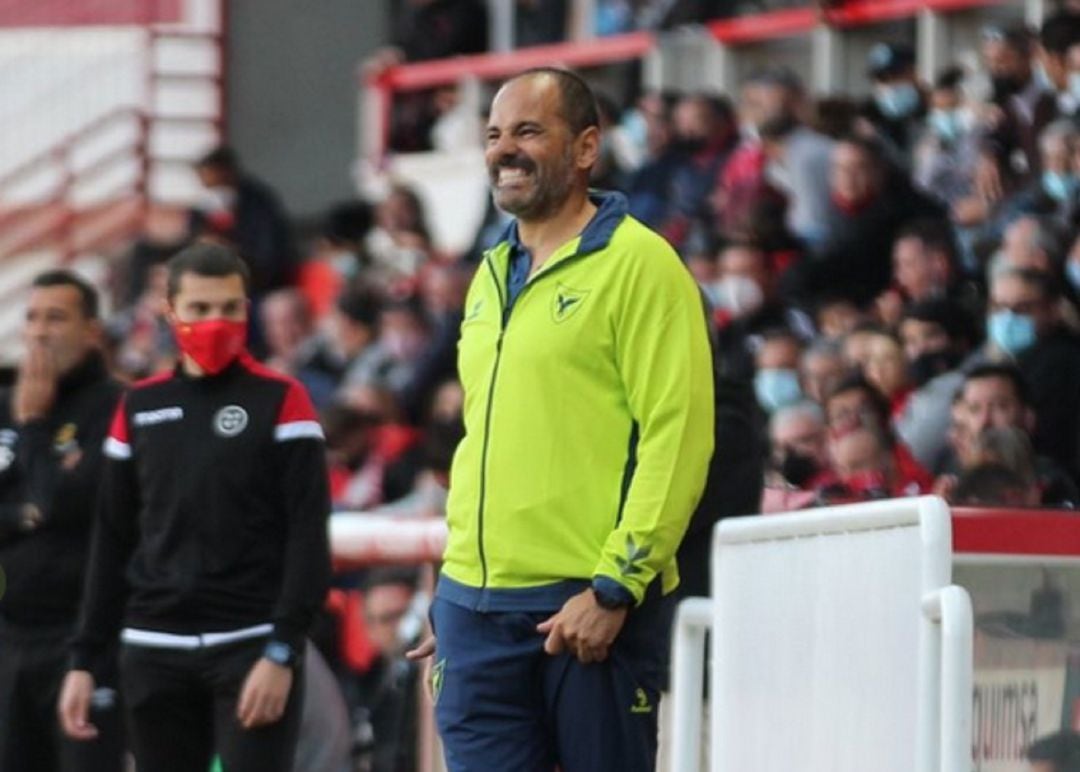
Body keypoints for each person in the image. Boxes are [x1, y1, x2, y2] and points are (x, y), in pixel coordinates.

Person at [406, 67, 714, 772]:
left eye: (526, 131)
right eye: (492, 134)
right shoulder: (488, 272)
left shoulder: (642, 266)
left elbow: (678, 437)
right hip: (474, 616)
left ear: (584, 149)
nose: (502, 150)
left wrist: (615, 588)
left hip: (585, 610)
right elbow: (486, 439)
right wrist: (457, 589)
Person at [58, 243, 332, 772]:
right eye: (200, 309)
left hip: (251, 647)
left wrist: (283, 650)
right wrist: (85, 660)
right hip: (151, 648)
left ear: (246, 310)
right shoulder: (139, 406)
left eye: (230, 307)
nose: (216, 321)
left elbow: (307, 535)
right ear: (171, 313)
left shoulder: (283, 400)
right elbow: (112, 538)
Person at [0, 272, 124, 772]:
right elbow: (44, 506)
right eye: (32, 317)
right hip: (10, 639)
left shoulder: (117, 405)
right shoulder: (5, 403)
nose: (39, 331)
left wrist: (33, 427)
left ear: (92, 330)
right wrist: (26, 514)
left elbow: (70, 504)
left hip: (86, 642)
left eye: (56, 317)